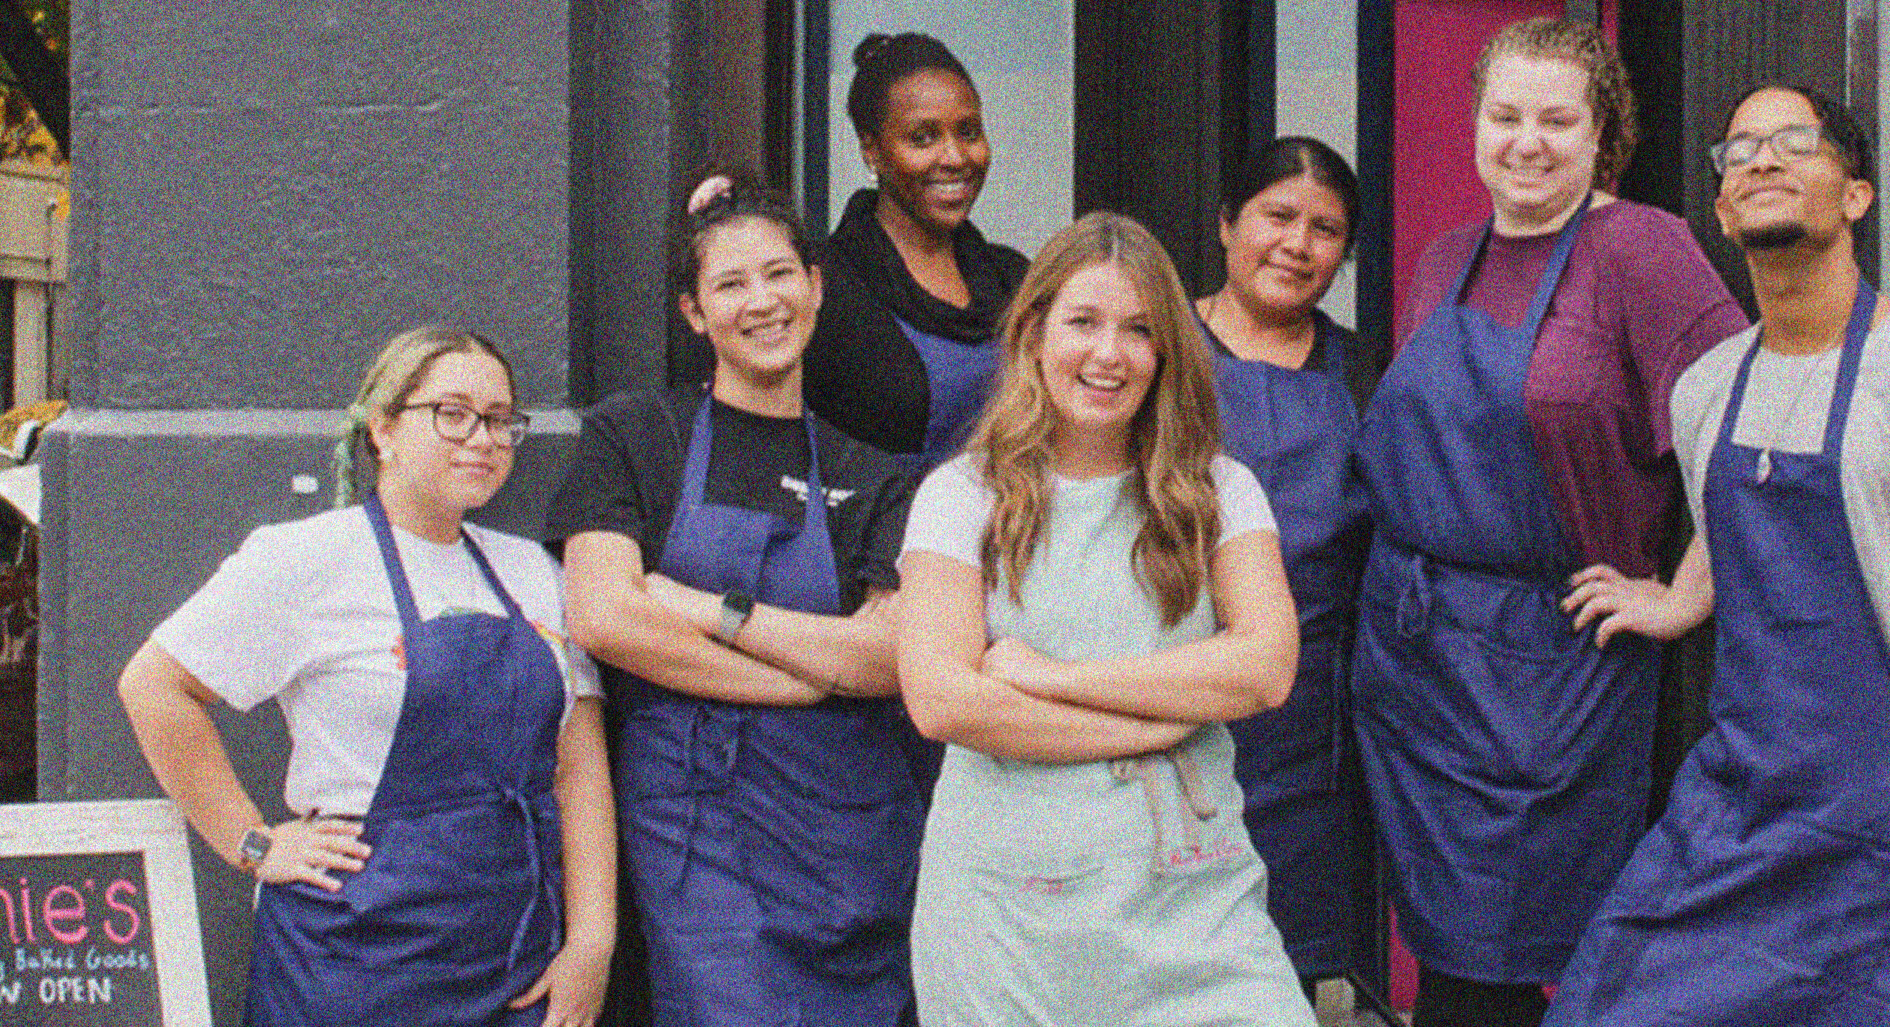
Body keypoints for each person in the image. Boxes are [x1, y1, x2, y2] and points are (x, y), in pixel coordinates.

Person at [1543, 83, 1890, 1027]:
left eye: (1794, 142)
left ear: (1856, 194)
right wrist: (1678, 596)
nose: (1761, 160)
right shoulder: (1708, 390)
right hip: (1736, 818)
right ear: (1720, 209)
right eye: (1739, 150)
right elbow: (1732, 518)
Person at [1349, 18, 1750, 1026]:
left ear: (1600, 132)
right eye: (1505, 115)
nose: (1526, 140)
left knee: (1513, 957)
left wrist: (1679, 594)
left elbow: (1750, 434)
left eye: (1556, 120)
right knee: (1443, 956)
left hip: (1548, 671)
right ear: (1475, 123)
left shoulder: (1640, 250)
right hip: (1417, 662)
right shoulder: (1447, 260)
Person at [119, 327, 616, 1027]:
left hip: (514, 963)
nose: (483, 436)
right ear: (383, 428)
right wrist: (253, 841)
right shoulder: (308, 559)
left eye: (501, 419)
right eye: (452, 413)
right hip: (351, 963)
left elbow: (578, 767)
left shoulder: (534, 572)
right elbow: (153, 686)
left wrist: (592, 940)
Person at [896, 211, 1310, 1025]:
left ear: (1165, 353)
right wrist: (1155, 724)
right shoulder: (961, 495)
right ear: (1035, 334)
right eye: (1082, 322)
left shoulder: (1222, 492)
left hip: (1191, 899)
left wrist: (1053, 679)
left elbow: (1264, 666)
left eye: (1137, 329)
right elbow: (944, 700)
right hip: (1006, 913)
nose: (1107, 354)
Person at [548, 176, 924, 1026]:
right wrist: (810, 675)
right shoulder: (636, 435)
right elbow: (606, 614)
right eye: (730, 283)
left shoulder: (874, 469)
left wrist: (708, 611)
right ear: (693, 312)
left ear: (816, 286)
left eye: (780, 274)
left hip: (851, 839)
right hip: (698, 838)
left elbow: (890, 653)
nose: (763, 302)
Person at [1193, 136, 1385, 994]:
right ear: (1228, 223)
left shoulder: (1365, 371)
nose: (1297, 244)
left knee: (1293, 976)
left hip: (1316, 728)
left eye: (1326, 229)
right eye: (1278, 216)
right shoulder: (1155, 355)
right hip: (1173, 699)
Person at [811, 31, 1031, 466]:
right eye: (922, 138)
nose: (954, 157)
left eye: (969, 132)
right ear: (871, 150)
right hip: (881, 531)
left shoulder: (1015, 278)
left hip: (1015, 527)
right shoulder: (825, 288)